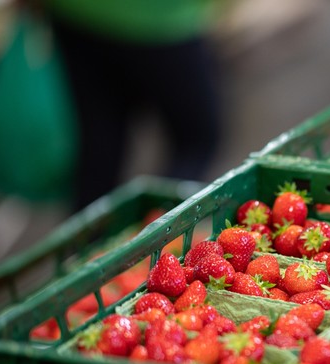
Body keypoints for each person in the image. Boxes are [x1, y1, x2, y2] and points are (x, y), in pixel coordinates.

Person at [39, 0, 226, 211]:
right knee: (197, 140)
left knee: (100, 147)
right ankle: (151, 229)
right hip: (158, 20)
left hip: (77, 13)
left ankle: (87, 240)